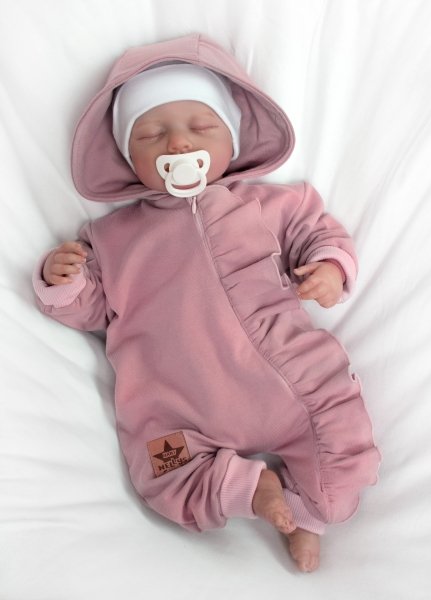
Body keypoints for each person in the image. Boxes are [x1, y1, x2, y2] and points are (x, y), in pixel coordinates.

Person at [33, 34, 380, 572]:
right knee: (161, 473)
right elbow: (90, 308)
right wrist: (64, 280)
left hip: (290, 384)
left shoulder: (269, 204)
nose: (177, 144)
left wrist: (330, 269)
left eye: (200, 127)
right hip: (178, 409)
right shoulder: (112, 238)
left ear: (232, 142)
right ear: (127, 156)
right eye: (151, 134)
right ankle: (251, 490)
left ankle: (308, 516)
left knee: (342, 442)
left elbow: (317, 231)